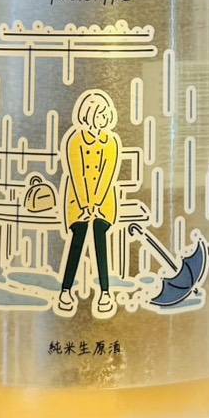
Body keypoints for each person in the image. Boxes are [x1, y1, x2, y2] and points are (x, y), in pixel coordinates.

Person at [57, 89, 121, 316]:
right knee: (78, 239)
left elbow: (107, 175)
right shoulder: (76, 140)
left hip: (104, 203)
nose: (103, 119)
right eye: (99, 114)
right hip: (78, 201)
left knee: (100, 239)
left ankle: (105, 292)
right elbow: (76, 174)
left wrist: (96, 204)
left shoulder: (110, 142)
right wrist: (85, 204)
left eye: (106, 114)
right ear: (89, 114)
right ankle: (65, 291)